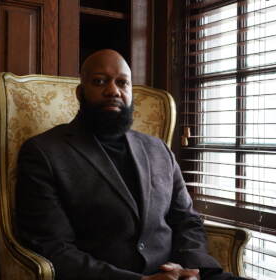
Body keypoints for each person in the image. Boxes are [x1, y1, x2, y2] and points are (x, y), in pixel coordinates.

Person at [15, 49, 247, 280]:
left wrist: (191, 271)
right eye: (99, 81)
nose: (113, 90)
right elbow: (54, 247)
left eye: (122, 83)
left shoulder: (158, 149)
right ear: (80, 92)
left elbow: (187, 220)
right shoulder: (44, 152)